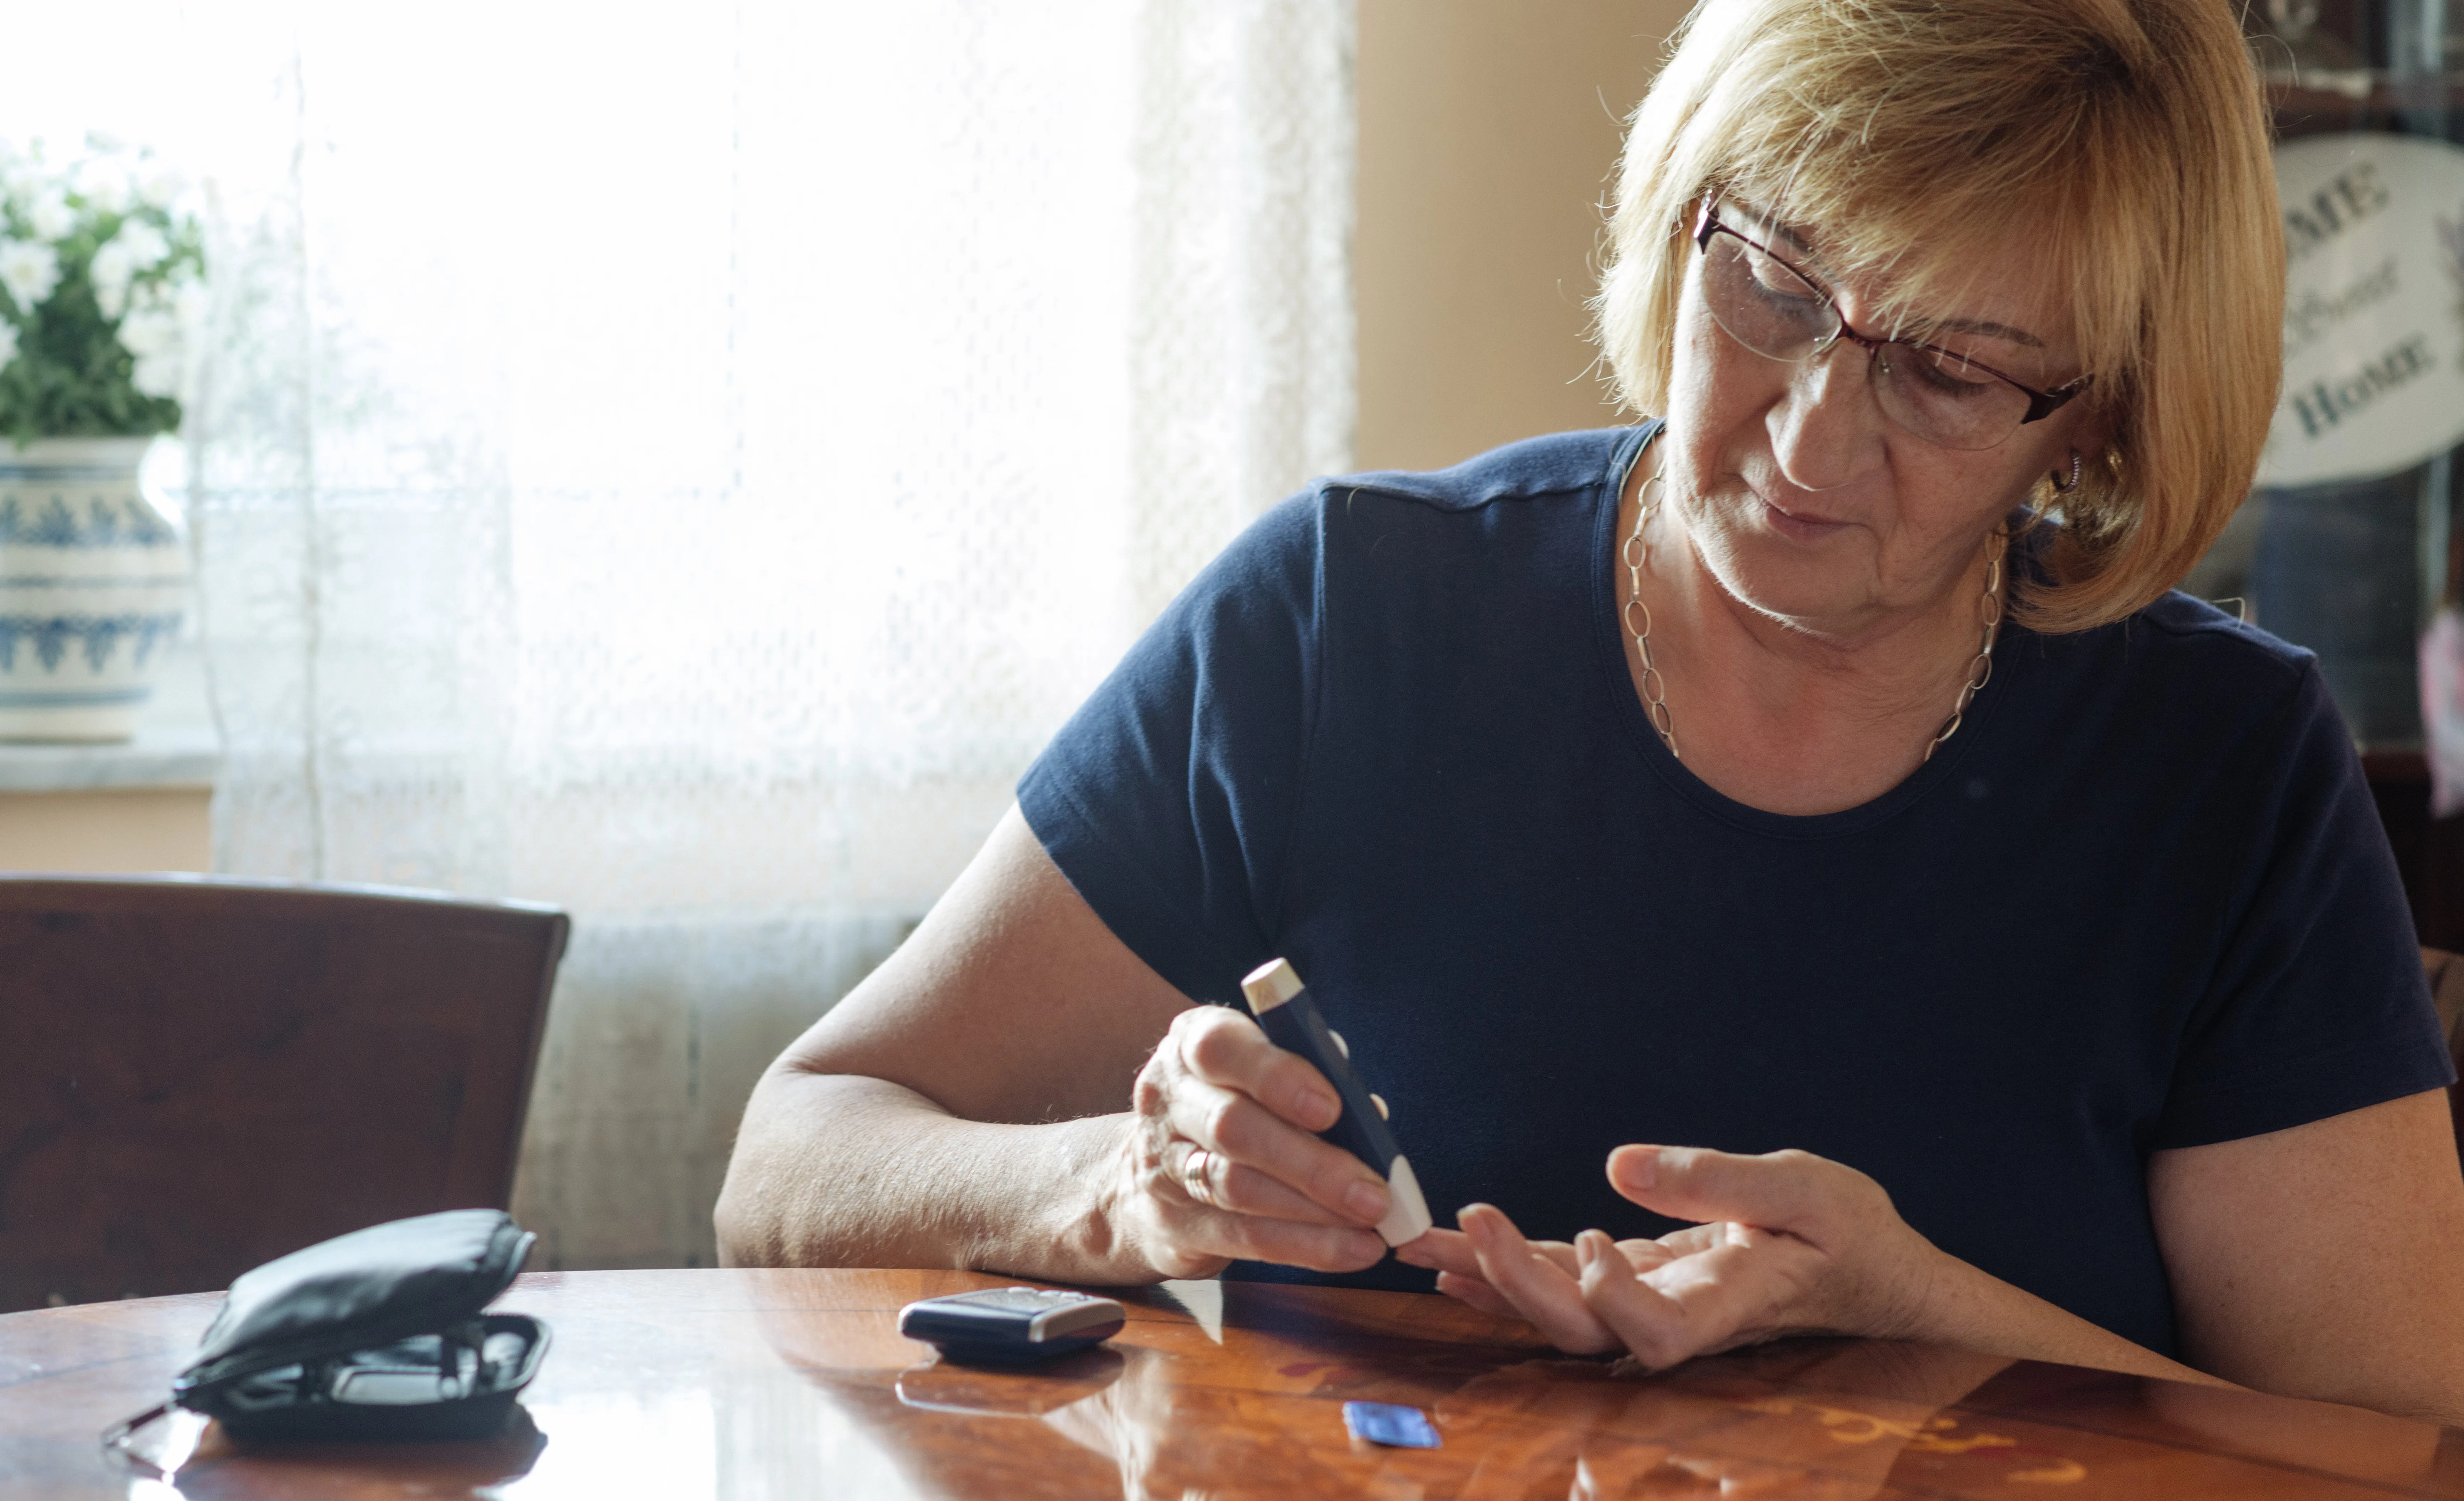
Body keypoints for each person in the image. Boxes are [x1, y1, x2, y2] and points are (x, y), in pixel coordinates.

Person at [716, 0, 2464, 1422]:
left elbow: (2401, 1446)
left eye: (1949, 371)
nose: (1805, 441)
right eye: (1773, 287)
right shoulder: (1349, 622)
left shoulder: (2219, 767)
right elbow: (791, 1163)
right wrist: (1116, 1191)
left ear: (2098, 420)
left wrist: (1911, 1308)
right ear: (1681, 210)